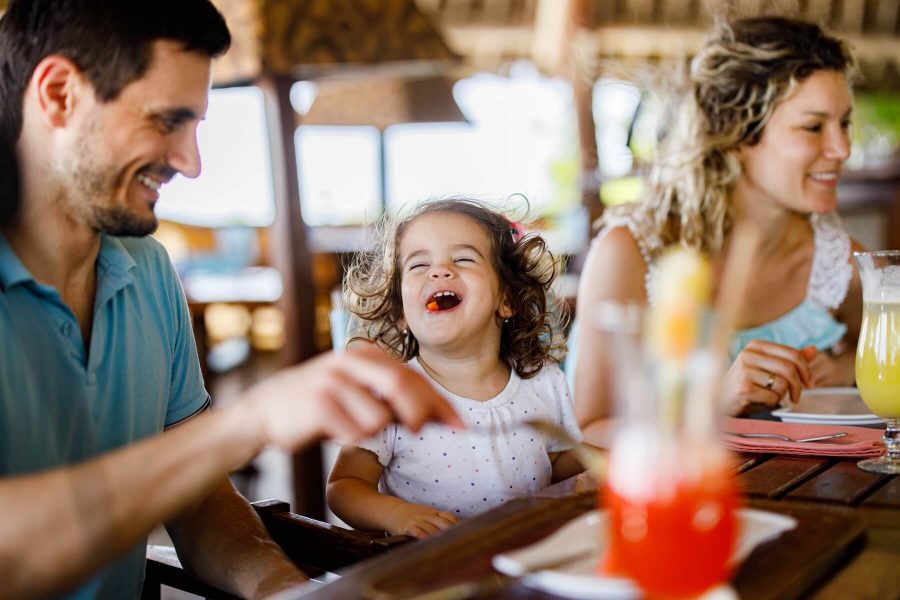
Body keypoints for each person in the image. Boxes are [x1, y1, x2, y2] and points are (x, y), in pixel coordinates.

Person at [0, 1, 461, 598]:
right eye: (168, 121)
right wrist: (251, 421)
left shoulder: (147, 270)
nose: (191, 163)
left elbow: (198, 498)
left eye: (196, 126)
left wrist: (282, 589)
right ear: (59, 94)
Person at [574, 16, 864, 445]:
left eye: (844, 124)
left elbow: (880, 371)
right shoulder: (632, 253)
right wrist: (711, 402)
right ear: (738, 135)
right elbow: (590, 432)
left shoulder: (842, 268)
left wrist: (844, 373)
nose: (842, 149)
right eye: (814, 127)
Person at [326, 198, 584, 539]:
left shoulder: (544, 382)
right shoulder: (393, 395)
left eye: (463, 258)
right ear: (402, 313)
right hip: (432, 570)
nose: (439, 270)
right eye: (419, 265)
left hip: (525, 555)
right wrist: (398, 515)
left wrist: (614, 463)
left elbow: (557, 460)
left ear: (506, 299)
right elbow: (344, 486)